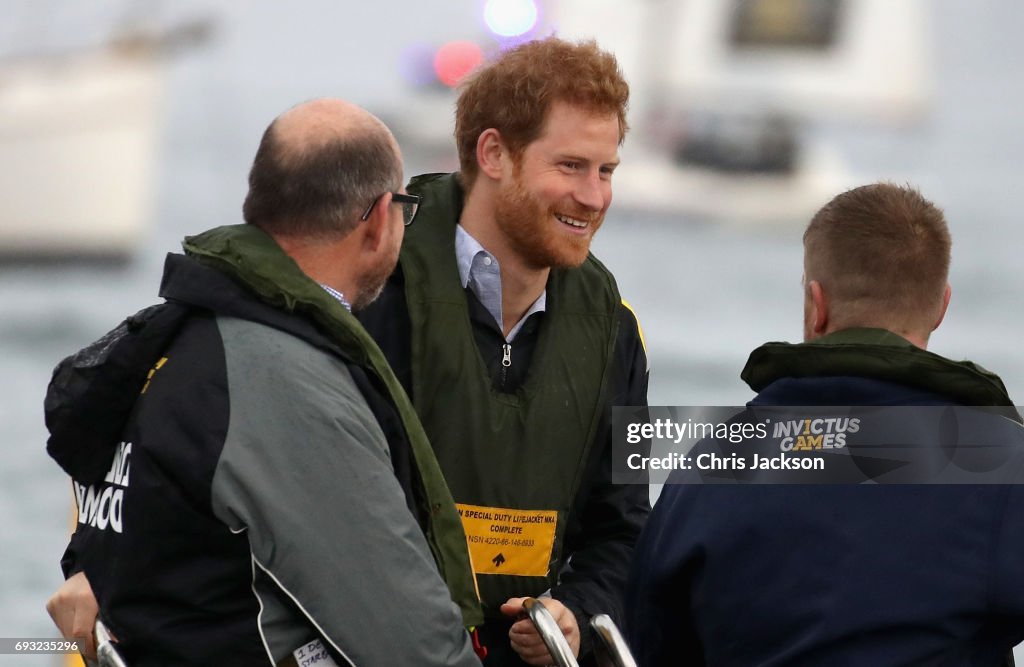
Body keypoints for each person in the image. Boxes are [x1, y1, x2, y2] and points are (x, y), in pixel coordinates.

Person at [44, 98, 483, 666]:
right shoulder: (282, 377)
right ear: (378, 219)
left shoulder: (171, 339)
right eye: (403, 207)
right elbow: (410, 643)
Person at [625, 183, 1024, 665]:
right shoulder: (1000, 463)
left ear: (818, 305)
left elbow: (650, 641)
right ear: (941, 305)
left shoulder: (713, 461)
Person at [356, 37, 650, 665]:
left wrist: (577, 609)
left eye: (606, 171)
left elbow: (621, 529)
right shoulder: (372, 297)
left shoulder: (615, 332)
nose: (594, 197)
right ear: (493, 153)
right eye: (570, 166)